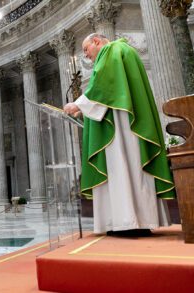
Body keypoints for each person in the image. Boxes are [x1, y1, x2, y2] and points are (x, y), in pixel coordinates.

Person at [63, 33, 175, 236]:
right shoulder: (128, 51)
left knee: (121, 167)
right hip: (128, 122)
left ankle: (127, 222)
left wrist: (77, 104)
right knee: (134, 170)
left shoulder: (111, 50)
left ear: (97, 42)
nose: (87, 56)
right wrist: (84, 109)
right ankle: (140, 220)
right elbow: (113, 91)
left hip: (121, 127)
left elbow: (103, 87)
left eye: (86, 50)